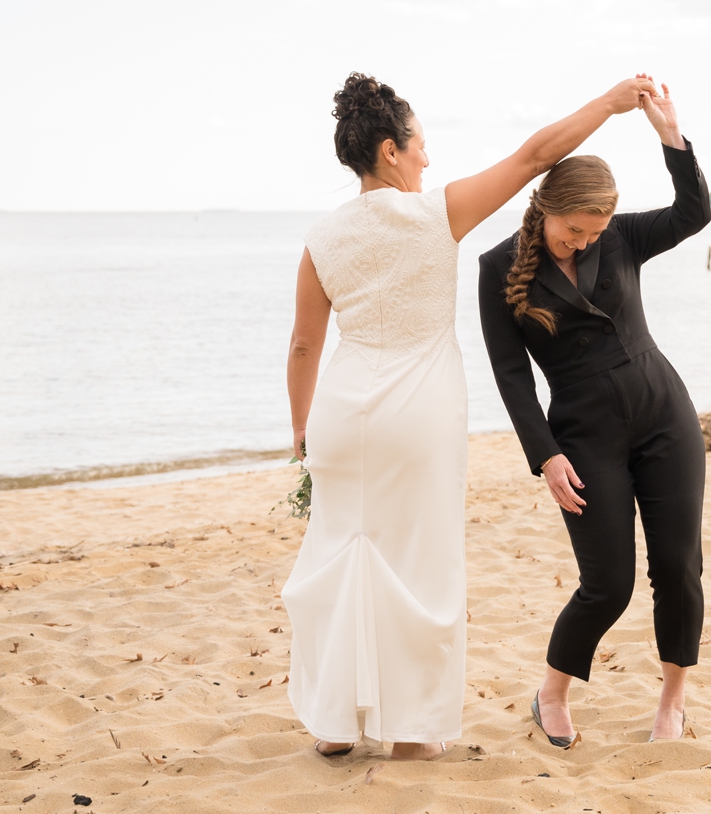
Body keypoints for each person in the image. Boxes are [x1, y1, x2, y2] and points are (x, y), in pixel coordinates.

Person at [282, 71, 659, 761]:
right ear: (391, 150)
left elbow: (305, 345)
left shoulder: (322, 237)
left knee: (340, 553)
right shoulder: (436, 216)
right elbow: (536, 157)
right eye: (421, 144)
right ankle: (412, 734)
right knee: (419, 565)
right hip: (417, 411)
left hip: (341, 411)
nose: (429, 157)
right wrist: (609, 104)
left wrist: (302, 431)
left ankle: (334, 726)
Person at [476, 81, 709, 744]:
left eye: (596, 232)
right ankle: (551, 693)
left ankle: (671, 701)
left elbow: (692, 214)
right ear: (545, 209)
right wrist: (544, 455)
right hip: (584, 440)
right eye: (574, 230)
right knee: (608, 584)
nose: (584, 242)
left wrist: (671, 138)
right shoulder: (497, 271)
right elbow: (511, 374)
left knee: (679, 568)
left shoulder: (623, 238)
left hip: (665, 418)